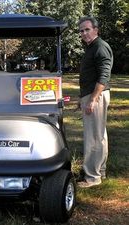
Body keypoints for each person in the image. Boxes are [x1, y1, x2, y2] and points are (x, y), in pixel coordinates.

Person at [77, 16, 113, 188]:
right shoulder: (91, 47)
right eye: (81, 31)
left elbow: (104, 75)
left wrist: (92, 99)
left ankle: (92, 177)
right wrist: (83, 98)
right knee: (100, 135)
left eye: (87, 29)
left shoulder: (100, 47)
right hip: (91, 95)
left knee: (93, 137)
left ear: (96, 30)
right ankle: (100, 171)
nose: (84, 33)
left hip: (96, 95)